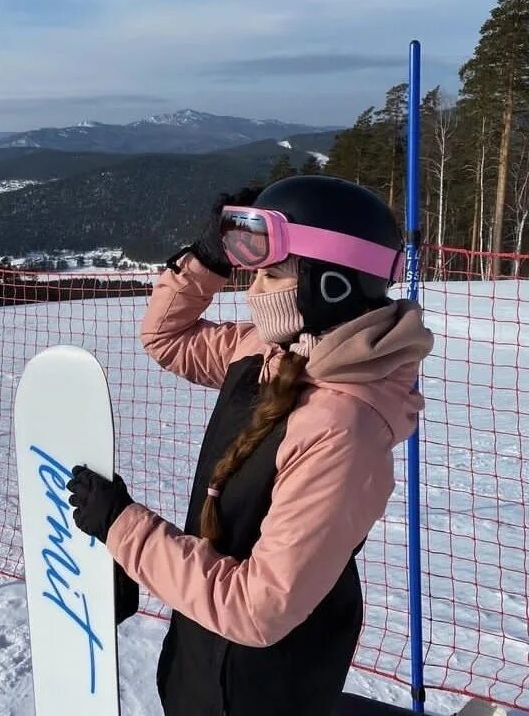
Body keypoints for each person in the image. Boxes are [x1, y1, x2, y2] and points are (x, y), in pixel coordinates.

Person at [67, 175, 434, 716]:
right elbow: (166, 338)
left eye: (270, 275)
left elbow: (257, 609)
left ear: (331, 284)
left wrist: (123, 526)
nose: (253, 291)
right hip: (202, 656)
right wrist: (207, 259)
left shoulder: (342, 427)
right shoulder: (268, 349)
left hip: (264, 687)